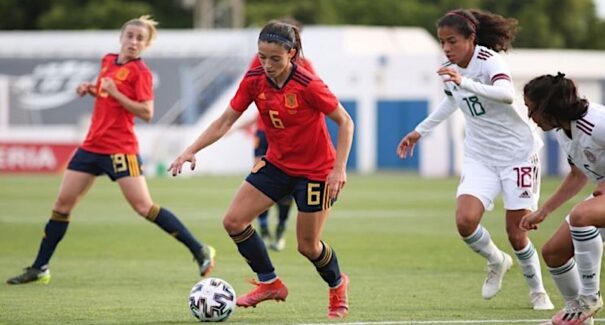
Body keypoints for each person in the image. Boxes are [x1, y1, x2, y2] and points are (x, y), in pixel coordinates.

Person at [6, 15, 215, 285]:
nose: (134, 41)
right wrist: (91, 89)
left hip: (120, 149)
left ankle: (199, 249)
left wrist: (115, 93)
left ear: (146, 44)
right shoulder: (108, 61)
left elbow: (147, 112)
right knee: (62, 205)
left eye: (140, 38)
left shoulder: (141, 73)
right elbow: (106, 93)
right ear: (121, 37)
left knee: (143, 207)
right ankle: (40, 266)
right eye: (130, 36)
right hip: (92, 146)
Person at [168, 21, 354, 319]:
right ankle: (270, 283)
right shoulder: (254, 79)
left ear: (292, 54)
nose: (267, 64)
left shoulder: (308, 84)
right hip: (277, 164)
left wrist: (338, 169)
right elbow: (224, 121)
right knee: (233, 221)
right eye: (262, 56)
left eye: (275, 58)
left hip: (316, 171)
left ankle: (337, 284)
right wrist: (192, 149)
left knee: (307, 246)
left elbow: (345, 121)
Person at [396, 8, 554, 310]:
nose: (446, 48)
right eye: (442, 42)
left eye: (452, 41)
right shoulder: (450, 69)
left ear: (471, 38)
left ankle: (537, 291)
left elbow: (506, 94)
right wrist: (419, 131)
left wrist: (464, 81)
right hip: (481, 155)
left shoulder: (489, 61)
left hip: (517, 154)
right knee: (465, 221)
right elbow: (453, 101)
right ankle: (496, 261)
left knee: (516, 231)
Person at [520, 73, 604, 325]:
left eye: (531, 109)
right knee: (553, 252)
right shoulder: (562, 132)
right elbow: (578, 175)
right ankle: (577, 315)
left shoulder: (597, 123)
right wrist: (543, 211)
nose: (529, 117)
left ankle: (589, 298)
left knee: (581, 215)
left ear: (548, 106)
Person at [245, 18, 316, 251]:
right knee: (260, 179)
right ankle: (263, 227)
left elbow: (322, 104)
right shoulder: (261, 60)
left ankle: (281, 226)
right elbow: (251, 89)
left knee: (286, 189)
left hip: (294, 141)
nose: (268, 63)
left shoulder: (306, 68)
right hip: (265, 132)